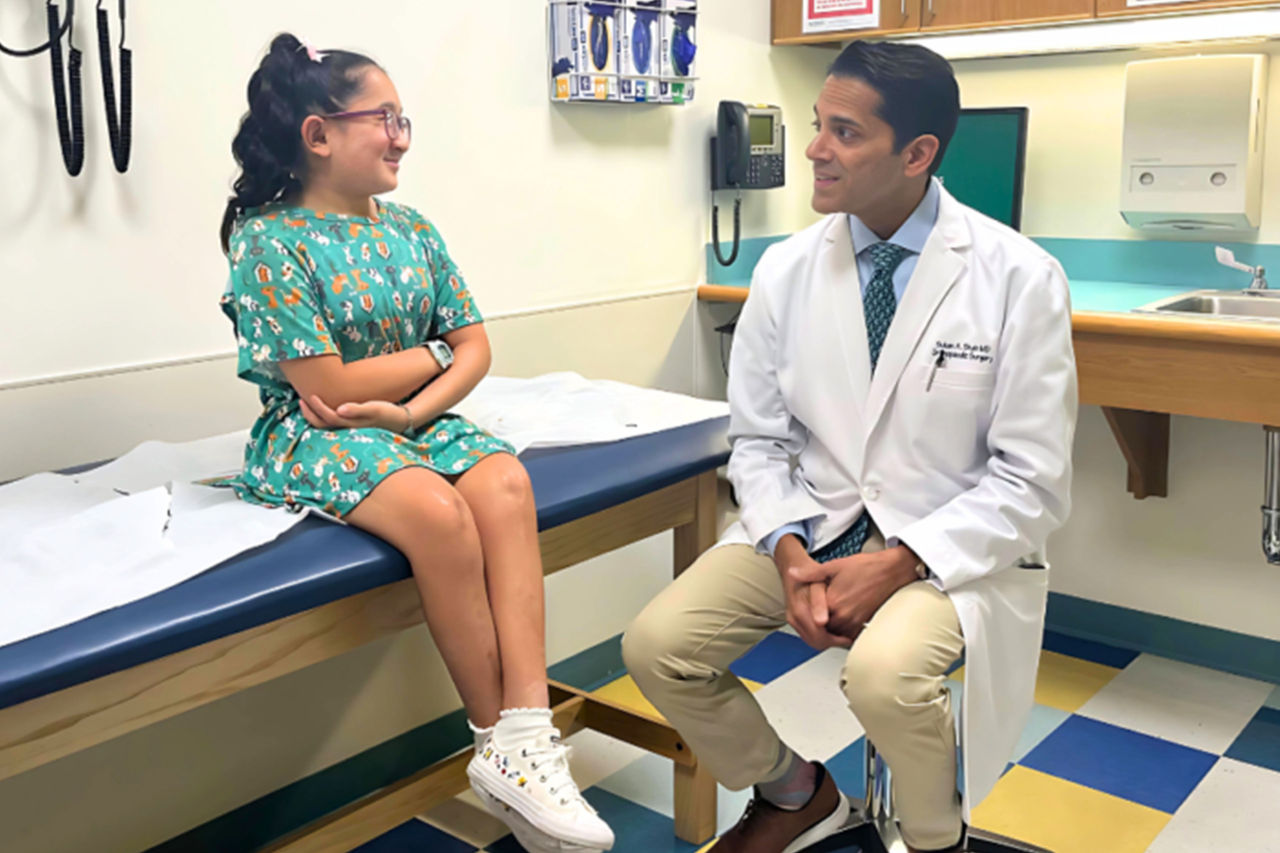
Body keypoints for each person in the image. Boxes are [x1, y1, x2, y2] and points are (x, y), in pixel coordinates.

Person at [623, 40, 1077, 853]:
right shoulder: (786, 269)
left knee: (884, 677)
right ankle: (796, 792)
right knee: (659, 646)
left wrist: (901, 560)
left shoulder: (1019, 277)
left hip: (951, 549)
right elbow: (759, 439)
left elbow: (1032, 481)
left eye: (844, 131)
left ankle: (938, 837)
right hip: (811, 524)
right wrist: (790, 551)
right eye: (815, 124)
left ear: (918, 154)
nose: (813, 149)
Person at [217, 33, 614, 853]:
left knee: (503, 482)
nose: (402, 135)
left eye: (405, 118)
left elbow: (477, 346)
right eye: (384, 118)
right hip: (314, 432)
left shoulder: (412, 229)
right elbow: (325, 388)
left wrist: (407, 410)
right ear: (318, 135)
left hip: (410, 418)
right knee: (438, 513)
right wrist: (427, 359)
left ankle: (525, 736)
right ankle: (490, 729)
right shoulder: (268, 240)